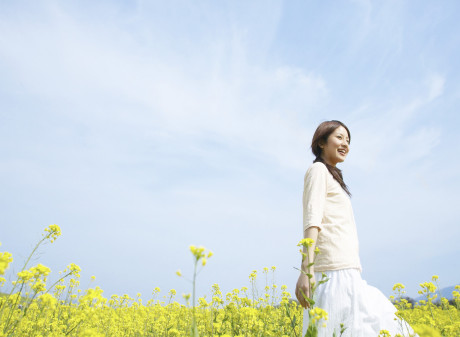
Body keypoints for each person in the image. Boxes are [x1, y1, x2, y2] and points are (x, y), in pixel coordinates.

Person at [295, 120, 418, 337]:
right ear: (322, 142)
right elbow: (313, 220)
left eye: (348, 140)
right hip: (332, 273)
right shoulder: (318, 170)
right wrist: (307, 270)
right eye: (339, 137)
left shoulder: (333, 177)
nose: (345, 144)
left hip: (347, 269)